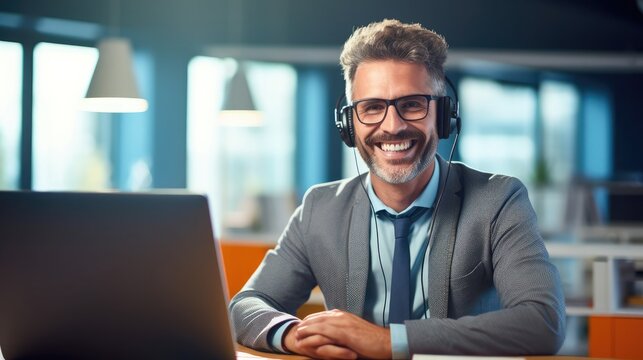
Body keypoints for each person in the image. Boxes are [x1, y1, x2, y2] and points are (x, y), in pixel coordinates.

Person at [229, 19, 566, 359]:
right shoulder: (321, 207)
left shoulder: (498, 201)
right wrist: (291, 334)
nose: (393, 126)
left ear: (444, 114)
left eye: (413, 104)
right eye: (372, 107)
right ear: (349, 124)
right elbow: (246, 305)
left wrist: (388, 342)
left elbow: (543, 321)